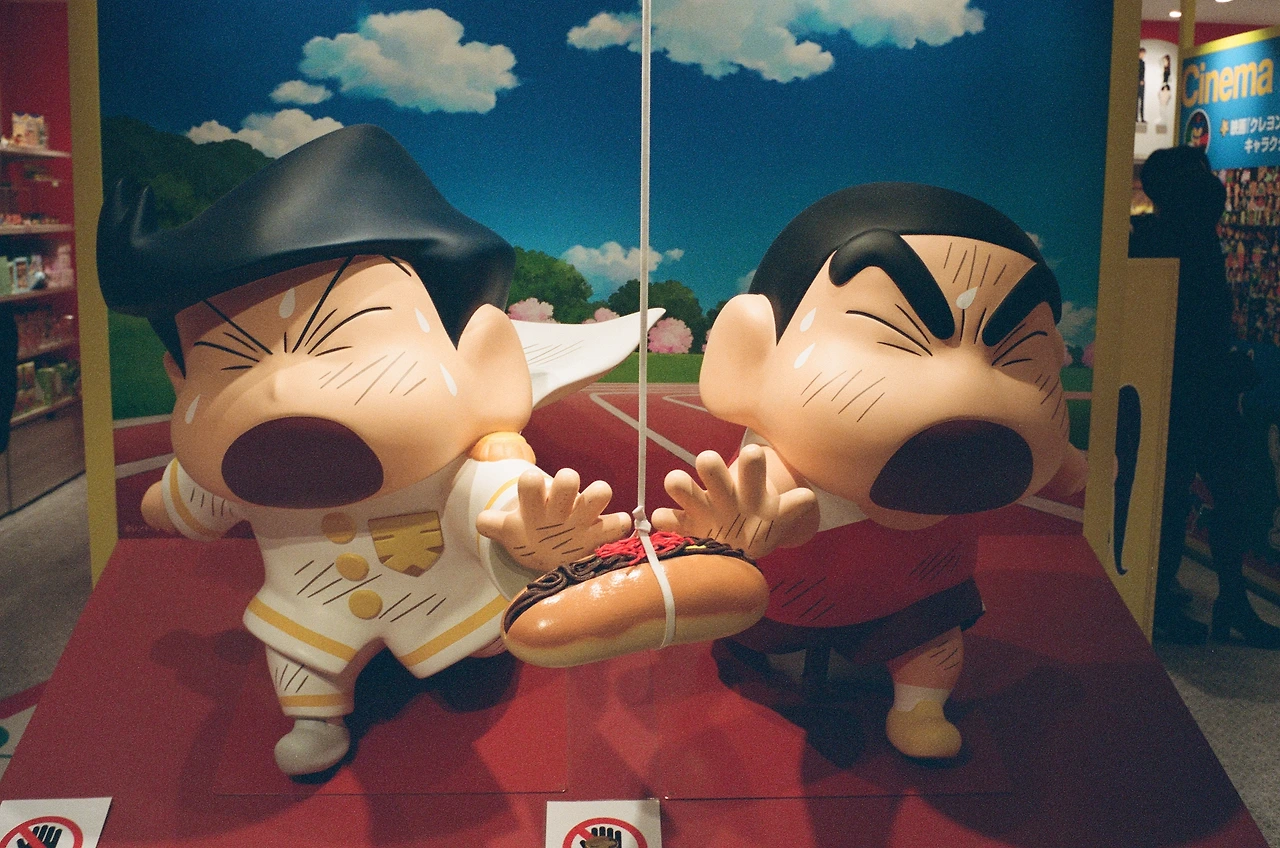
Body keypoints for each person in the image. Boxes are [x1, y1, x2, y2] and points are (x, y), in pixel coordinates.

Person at [1130, 145, 1280, 648]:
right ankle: (1164, 602)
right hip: (1179, 396)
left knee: (1220, 497)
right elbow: (1172, 332)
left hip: (1203, 393)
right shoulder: (1160, 243)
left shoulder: (1183, 238)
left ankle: (1224, 602)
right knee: (1173, 502)